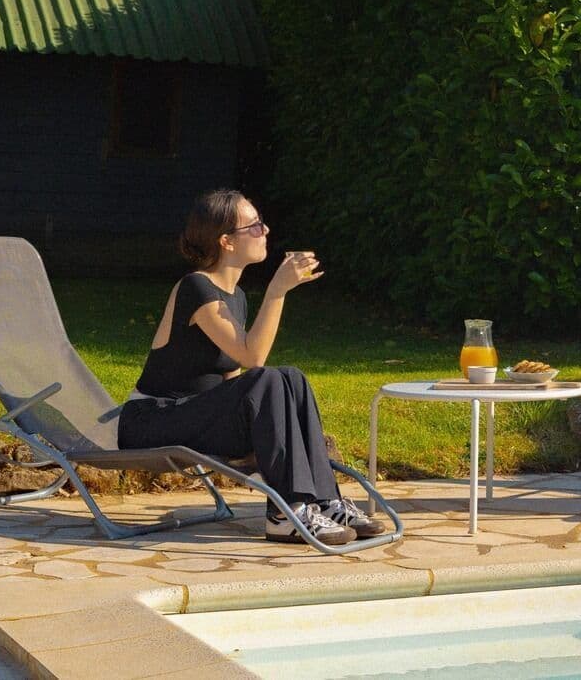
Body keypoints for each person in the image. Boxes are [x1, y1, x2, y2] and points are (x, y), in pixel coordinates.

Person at [118, 189, 384, 546]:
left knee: (290, 377)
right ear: (226, 241)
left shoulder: (236, 297)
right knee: (270, 376)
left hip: (194, 419)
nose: (266, 230)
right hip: (152, 420)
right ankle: (285, 514)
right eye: (255, 226)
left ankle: (326, 501)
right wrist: (278, 291)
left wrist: (260, 433)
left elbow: (235, 381)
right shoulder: (196, 287)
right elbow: (252, 358)